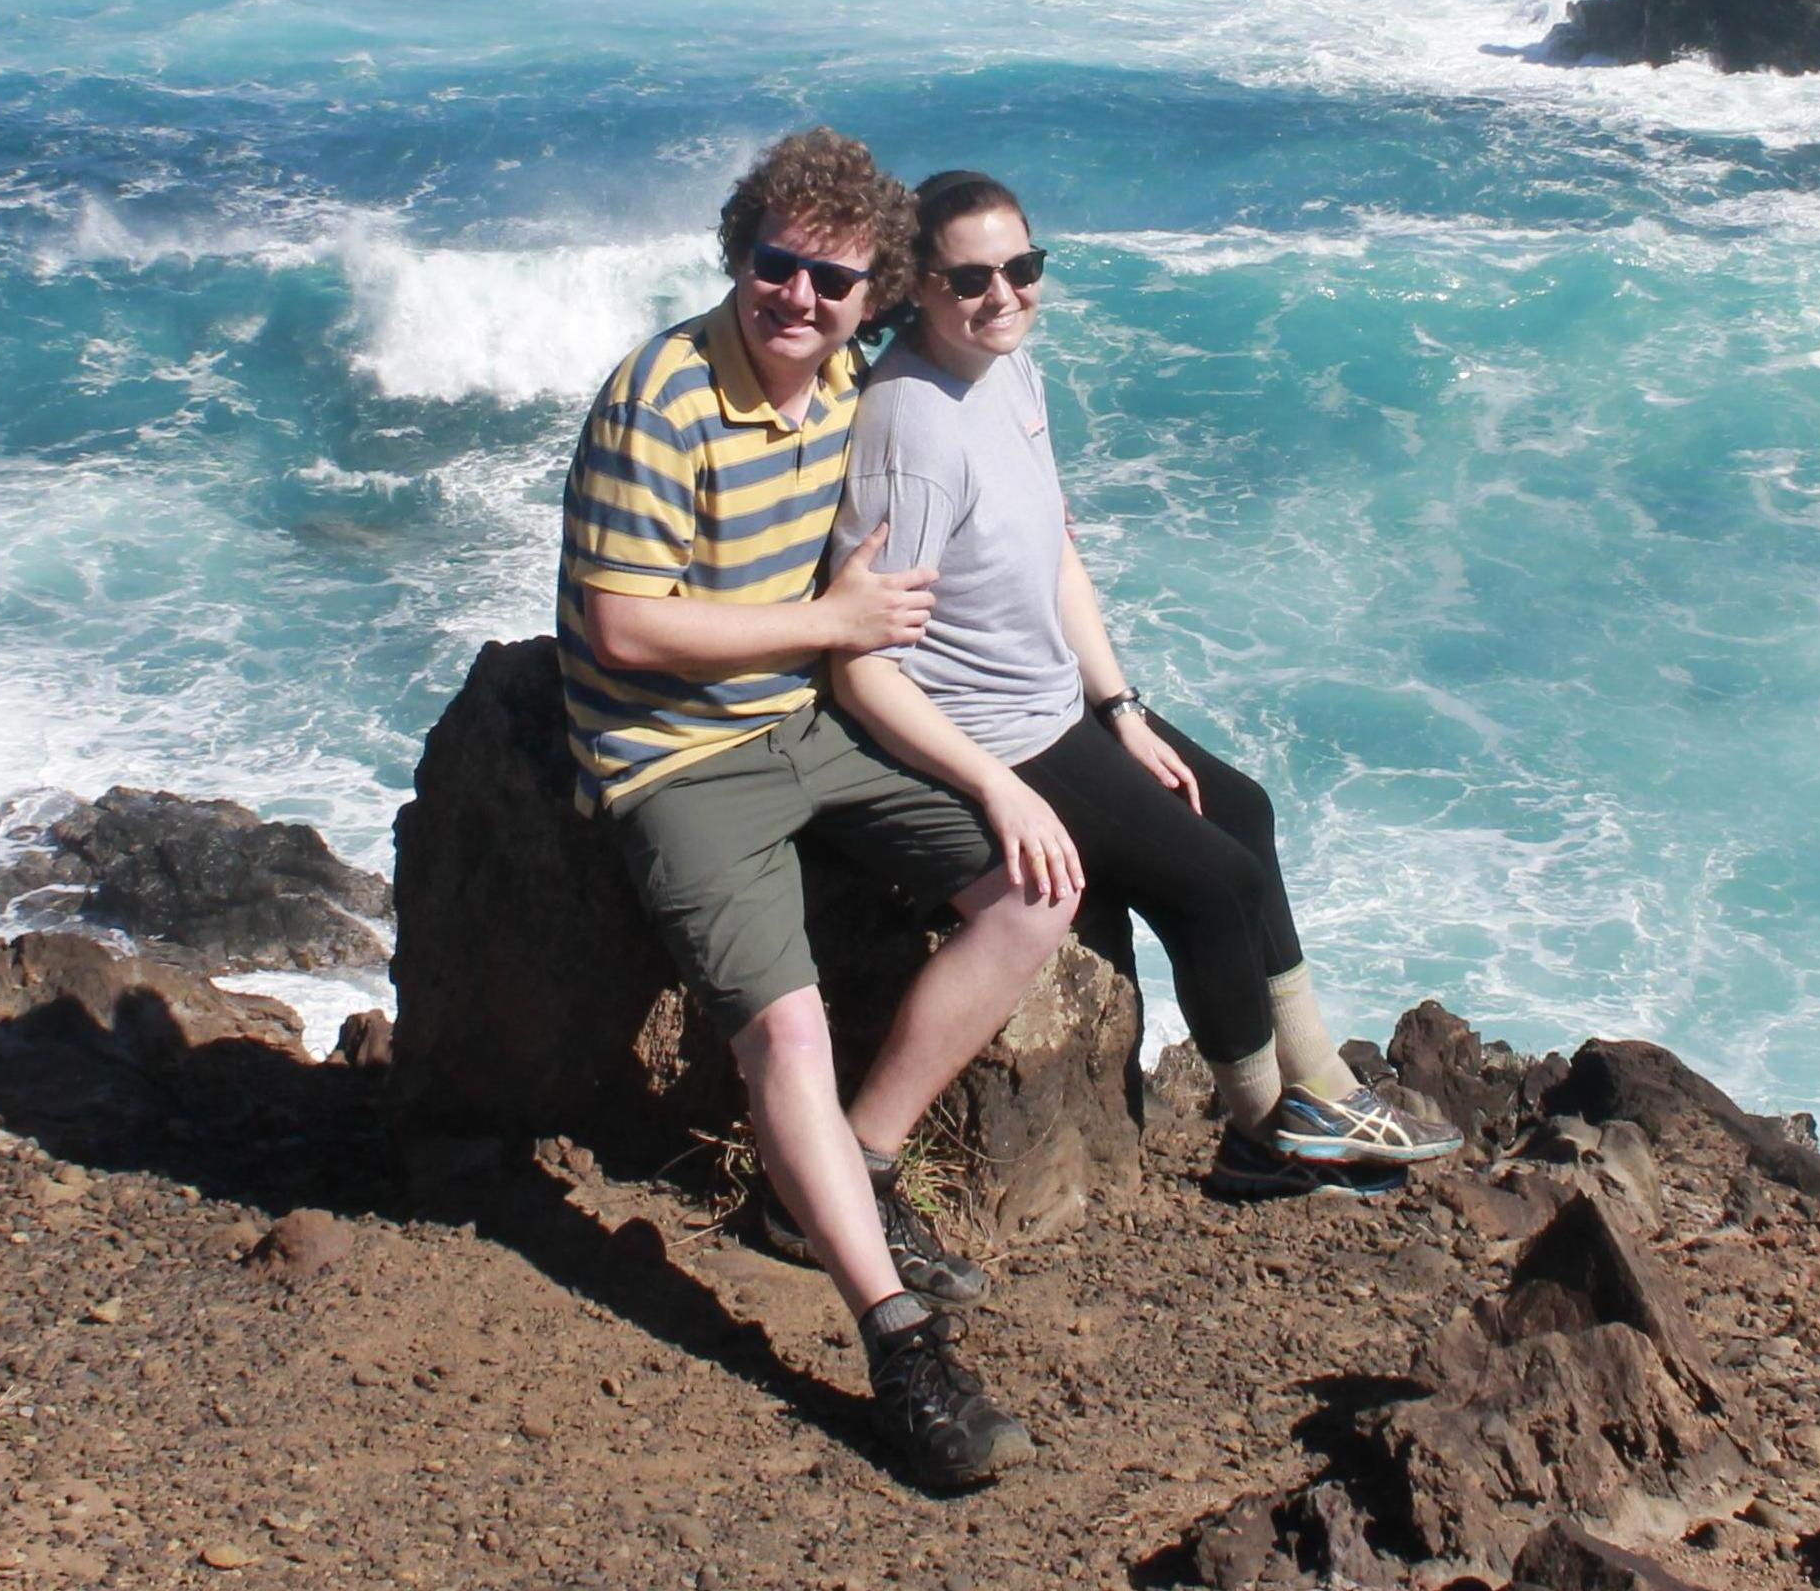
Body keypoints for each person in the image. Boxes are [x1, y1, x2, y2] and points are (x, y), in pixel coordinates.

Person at [556, 129, 1080, 1488]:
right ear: (740, 256)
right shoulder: (660, 396)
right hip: (675, 754)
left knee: (1035, 893)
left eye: (835, 282)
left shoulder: (856, 377)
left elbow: (977, 423)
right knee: (782, 1027)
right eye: (776, 268)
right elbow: (622, 625)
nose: (800, 299)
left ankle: (842, 1175)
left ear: (873, 297)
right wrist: (831, 617)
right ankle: (896, 1342)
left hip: (809, 720)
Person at [826, 170, 1463, 1198]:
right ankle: (1256, 1136)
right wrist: (995, 785)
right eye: (971, 278)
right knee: (1216, 888)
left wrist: (1118, 706)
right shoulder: (911, 431)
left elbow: (1057, 556)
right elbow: (862, 667)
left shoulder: (1006, 372)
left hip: (1053, 699)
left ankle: (1323, 1089)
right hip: (989, 728)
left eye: (1023, 269)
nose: (1004, 295)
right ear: (918, 284)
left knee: (1240, 810)